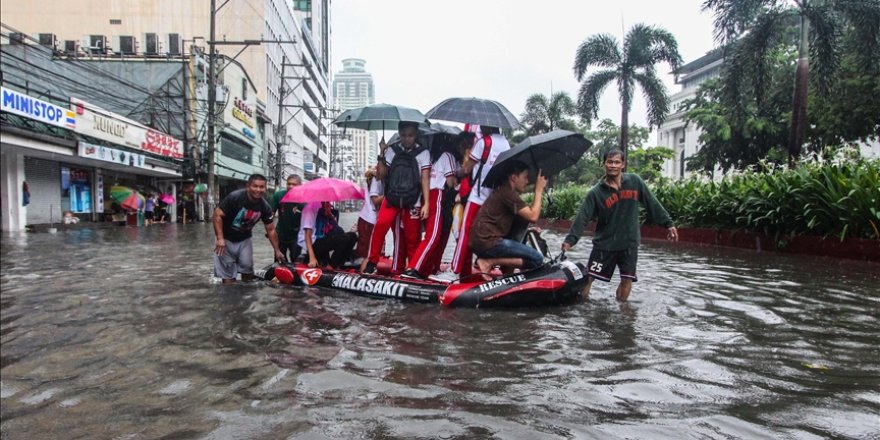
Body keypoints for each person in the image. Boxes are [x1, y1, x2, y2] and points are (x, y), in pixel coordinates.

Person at [561, 149, 679, 302]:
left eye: (617, 162)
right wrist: (570, 241)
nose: (613, 165)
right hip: (604, 244)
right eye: (609, 162)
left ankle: (622, 313)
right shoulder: (596, 193)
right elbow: (582, 217)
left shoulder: (635, 182)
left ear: (623, 164)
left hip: (629, 243)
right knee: (589, 277)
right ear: (604, 164)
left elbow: (652, 203)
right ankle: (580, 305)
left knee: (627, 279)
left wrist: (668, 224)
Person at [436, 125, 510, 281]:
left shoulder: (483, 142)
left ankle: (456, 271)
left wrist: (458, 171)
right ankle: (504, 272)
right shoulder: (505, 143)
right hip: (494, 199)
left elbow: (467, 169)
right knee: (493, 235)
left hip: (477, 197)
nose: (480, 126)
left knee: (465, 234)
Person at [360, 121, 431, 274]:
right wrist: (382, 153)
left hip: (413, 200)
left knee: (413, 238)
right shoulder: (392, 150)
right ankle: (372, 262)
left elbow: (425, 178)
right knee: (381, 226)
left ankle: (412, 269)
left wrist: (426, 204)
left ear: (416, 135)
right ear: (399, 134)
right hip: (392, 197)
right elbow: (380, 175)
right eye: (404, 135)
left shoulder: (424, 153)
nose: (407, 139)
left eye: (410, 135)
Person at [469, 162, 548, 280]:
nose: (527, 181)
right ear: (513, 178)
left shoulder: (504, 191)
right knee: (537, 259)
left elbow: (524, 220)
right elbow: (533, 216)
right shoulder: (508, 193)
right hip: (488, 242)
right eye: (525, 177)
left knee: (520, 223)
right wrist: (538, 190)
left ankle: (506, 271)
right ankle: (488, 262)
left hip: (482, 241)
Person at [401, 134, 461, 279]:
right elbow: (450, 182)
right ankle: (415, 268)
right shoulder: (448, 156)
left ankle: (428, 268)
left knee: (433, 235)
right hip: (437, 196)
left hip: (424, 196)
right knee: (433, 236)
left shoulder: (431, 156)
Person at [213, 174, 284, 283]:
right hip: (225, 239)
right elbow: (217, 215)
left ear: (265, 188)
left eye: (261, 187)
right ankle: (229, 298)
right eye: (255, 186)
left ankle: (246, 297)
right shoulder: (235, 197)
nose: (258, 190)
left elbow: (270, 229)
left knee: (248, 273)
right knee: (228, 279)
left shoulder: (265, 207)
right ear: (248, 186)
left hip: (244, 239)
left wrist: (277, 250)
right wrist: (220, 238)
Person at [300, 201, 358, 269]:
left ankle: (339, 265)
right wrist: (312, 258)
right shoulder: (310, 208)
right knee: (344, 239)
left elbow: (338, 230)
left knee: (352, 236)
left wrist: (330, 215)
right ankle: (331, 267)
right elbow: (307, 235)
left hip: (323, 239)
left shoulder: (325, 207)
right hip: (312, 242)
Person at [269, 174, 305, 263]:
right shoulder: (278, 196)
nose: (290, 186)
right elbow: (270, 215)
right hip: (280, 233)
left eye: (294, 184)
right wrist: (270, 231)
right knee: (279, 261)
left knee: (295, 260)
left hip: (297, 235)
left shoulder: (305, 199)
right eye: (289, 184)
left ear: (300, 185)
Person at [354, 168, 384, 262]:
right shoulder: (376, 179)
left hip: (368, 219)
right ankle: (362, 273)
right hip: (369, 220)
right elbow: (375, 201)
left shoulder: (379, 178)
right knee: (367, 253)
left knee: (370, 251)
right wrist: (389, 194)